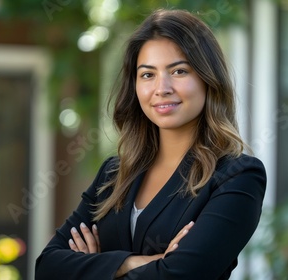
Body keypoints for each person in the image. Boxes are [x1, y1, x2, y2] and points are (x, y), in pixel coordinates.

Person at [35, 8, 266, 280]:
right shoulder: (113, 175)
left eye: (179, 71)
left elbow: (180, 275)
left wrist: (94, 267)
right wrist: (133, 263)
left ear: (208, 79)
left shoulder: (236, 177)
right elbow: (47, 267)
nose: (162, 88)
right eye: (147, 74)